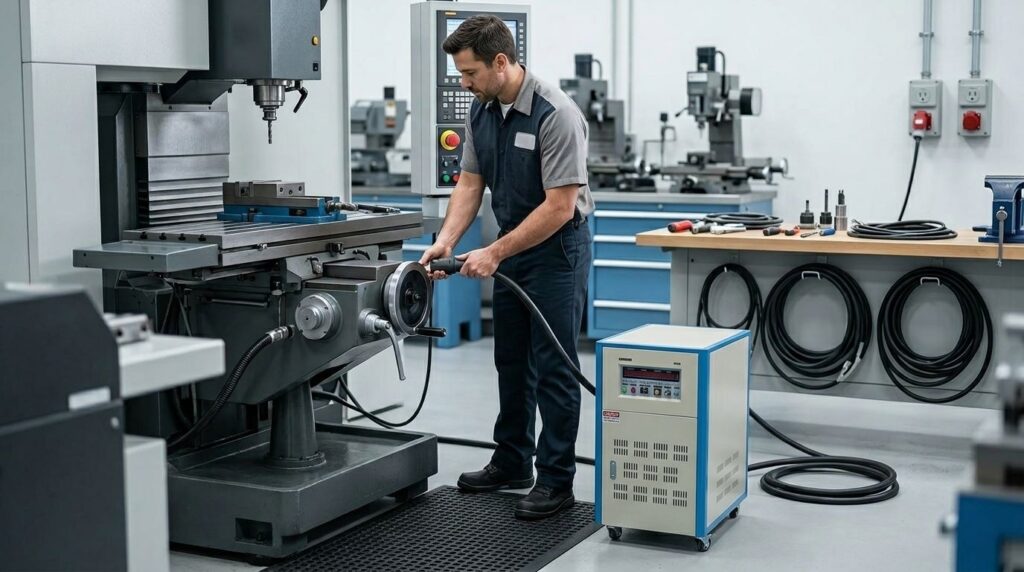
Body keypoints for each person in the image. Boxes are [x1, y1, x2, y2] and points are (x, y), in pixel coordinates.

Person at [419, 15, 593, 521]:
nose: (464, 84)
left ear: (501, 62)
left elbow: (560, 206)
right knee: (512, 360)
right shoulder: (482, 110)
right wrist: (446, 241)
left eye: (470, 73)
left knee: (555, 369)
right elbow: (470, 184)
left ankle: (556, 481)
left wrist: (494, 252)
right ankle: (513, 460)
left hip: (558, 249)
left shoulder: (554, 113)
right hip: (515, 246)